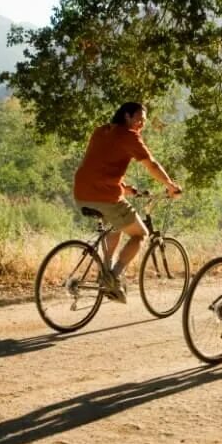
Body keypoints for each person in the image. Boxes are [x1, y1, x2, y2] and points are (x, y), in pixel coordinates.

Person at [73, 102, 182, 303]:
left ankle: (106, 278)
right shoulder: (129, 136)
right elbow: (152, 164)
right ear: (126, 116)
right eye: (138, 119)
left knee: (115, 228)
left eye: (144, 121)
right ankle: (112, 276)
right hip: (104, 196)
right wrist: (170, 185)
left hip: (81, 193)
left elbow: (99, 164)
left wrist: (124, 187)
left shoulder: (101, 131)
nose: (141, 124)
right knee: (141, 234)